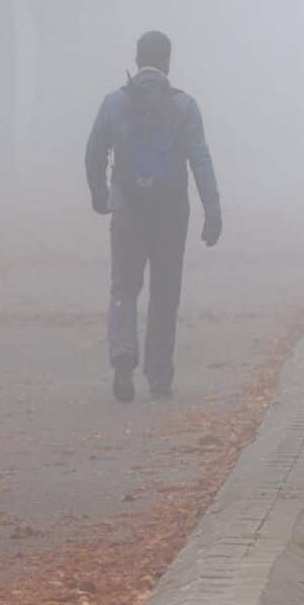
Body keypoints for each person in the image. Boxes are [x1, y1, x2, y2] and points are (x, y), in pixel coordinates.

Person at [84, 30, 222, 402]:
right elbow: (200, 159)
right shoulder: (185, 106)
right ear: (167, 62)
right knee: (165, 293)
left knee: (124, 287)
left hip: (128, 210)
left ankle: (123, 357)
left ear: (137, 58)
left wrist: (100, 192)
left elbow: (94, 151)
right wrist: (213, 209)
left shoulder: (114, 103)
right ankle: (159, 374)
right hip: (172, 212)